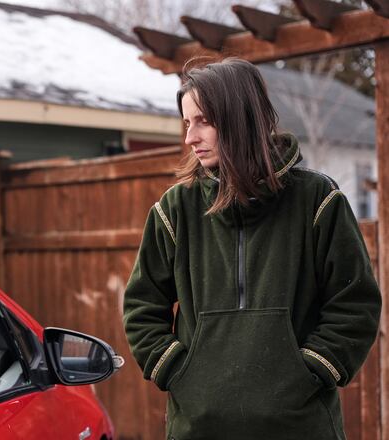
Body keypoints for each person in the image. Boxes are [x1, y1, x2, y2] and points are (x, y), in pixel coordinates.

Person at [123, 58, 381, 440]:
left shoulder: (318, 201)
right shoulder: (175, 210)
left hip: (301, 428)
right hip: (200, 428)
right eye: (186, 123)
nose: (189, 138)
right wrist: (180, 372)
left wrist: (310, 370)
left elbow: (355, 304)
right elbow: (141, 308)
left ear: (239, 118)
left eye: (203, 121)